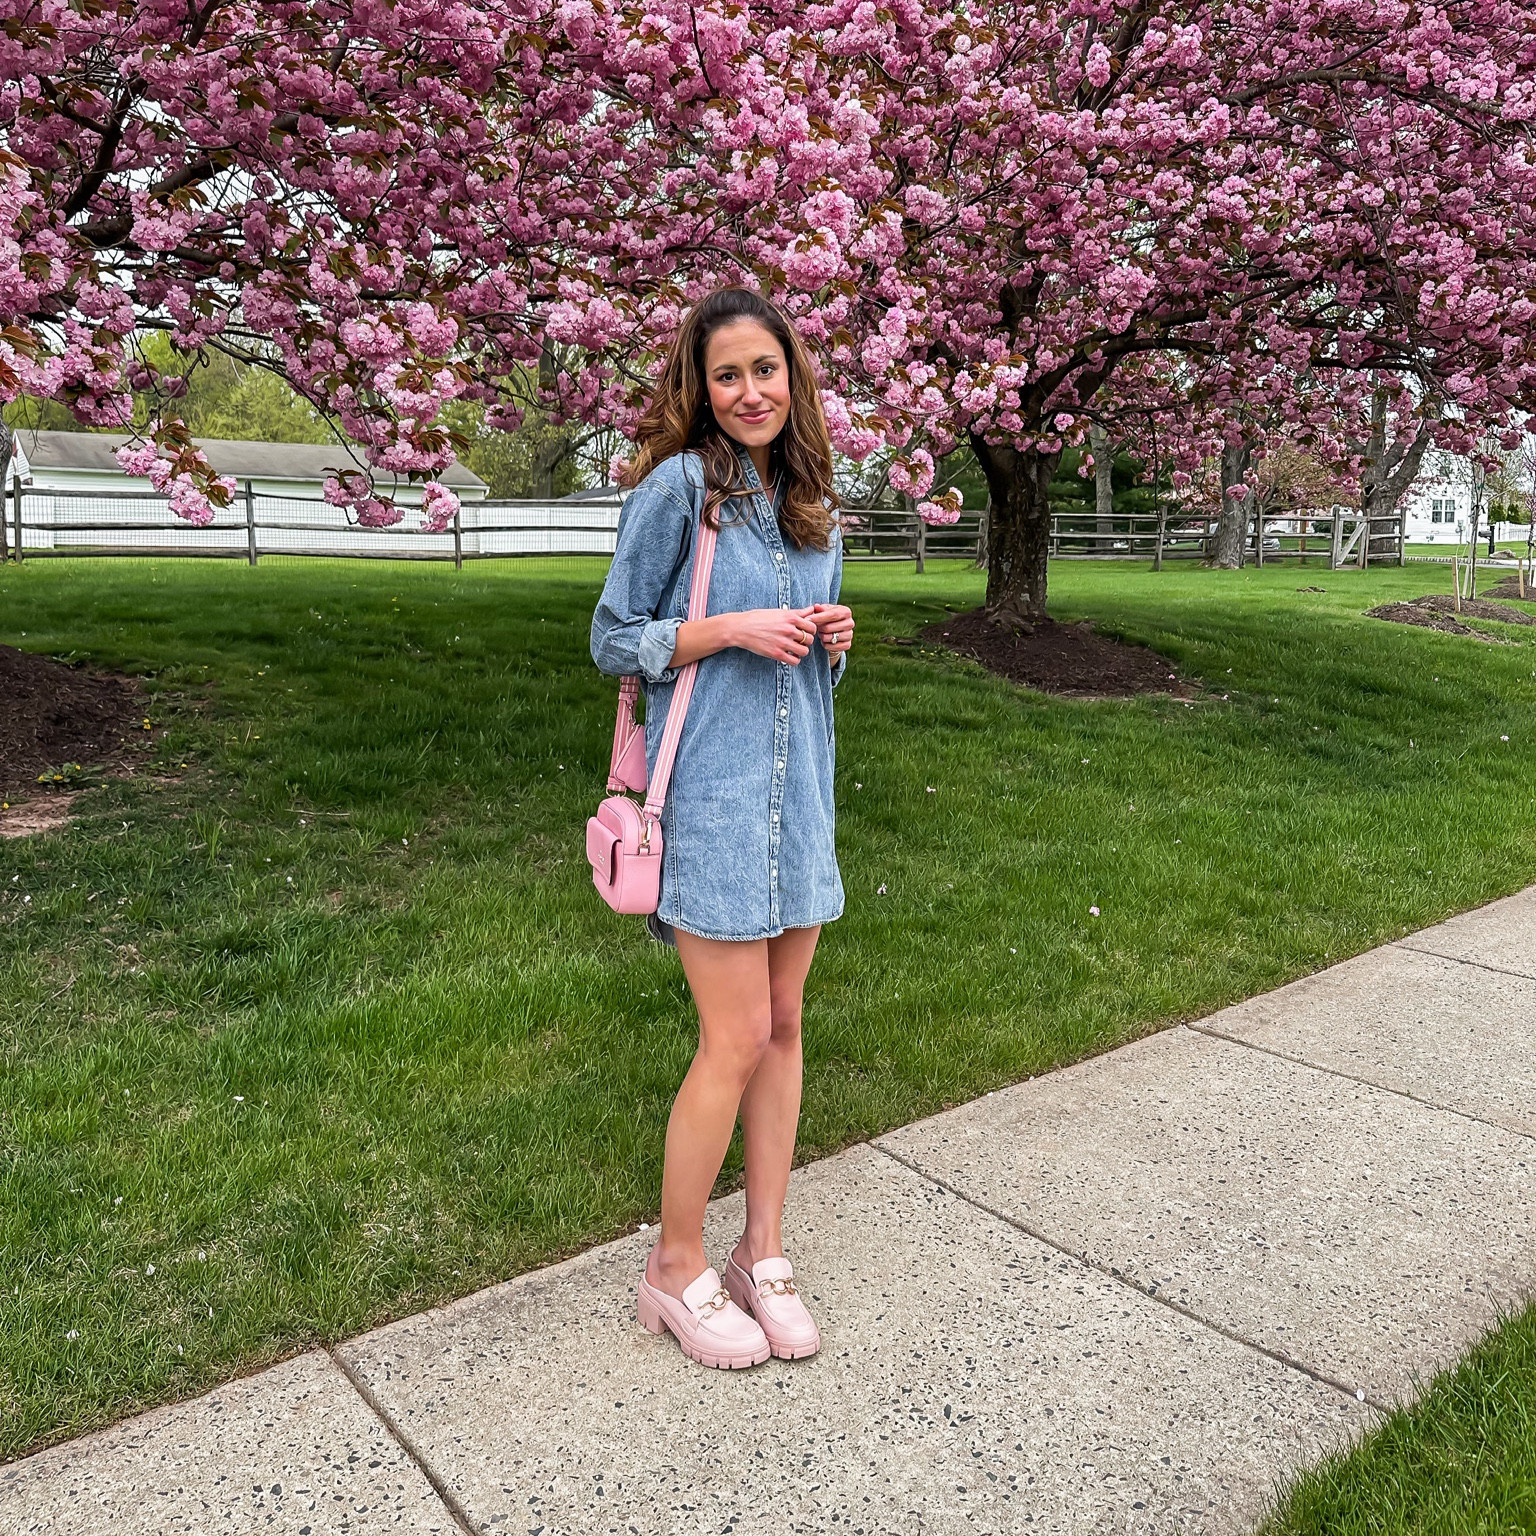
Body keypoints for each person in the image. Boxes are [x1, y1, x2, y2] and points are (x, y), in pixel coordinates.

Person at [589, 286, 855, 1369]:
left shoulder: (811, 497)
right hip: (714, 800)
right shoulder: (678, 491)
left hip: (802, 799)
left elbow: (811, 662)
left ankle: (764, 1251)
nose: (750, 391)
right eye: (727, 374)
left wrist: (836, 636)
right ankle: (674, 1267)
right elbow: (614, 639)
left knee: (787, 1025)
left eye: (765, 369)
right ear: (699, 389)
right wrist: (724, 630)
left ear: (793, 376)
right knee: (734, 1037)